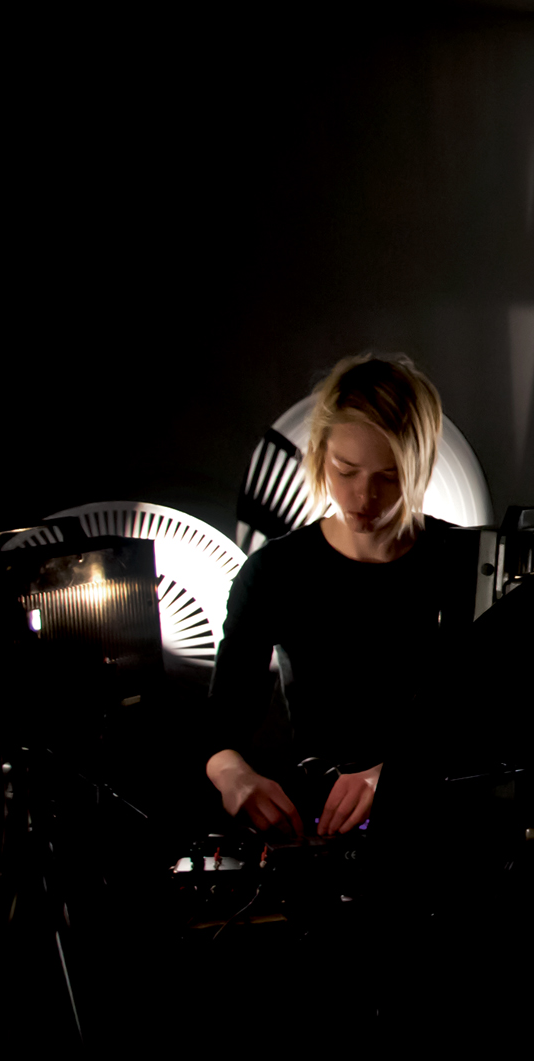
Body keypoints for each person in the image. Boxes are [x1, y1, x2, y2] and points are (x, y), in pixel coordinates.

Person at [204, 352, 464, 837]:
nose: (364, 497)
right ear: (320, 455)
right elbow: (225, 722)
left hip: (444, 822)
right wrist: (232, 773)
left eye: (389, 476)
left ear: (422, 465)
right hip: (324, 826)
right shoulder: (275, 571)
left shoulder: (467, 563)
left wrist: (396, 773)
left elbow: (499, 715)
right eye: (346, 471)